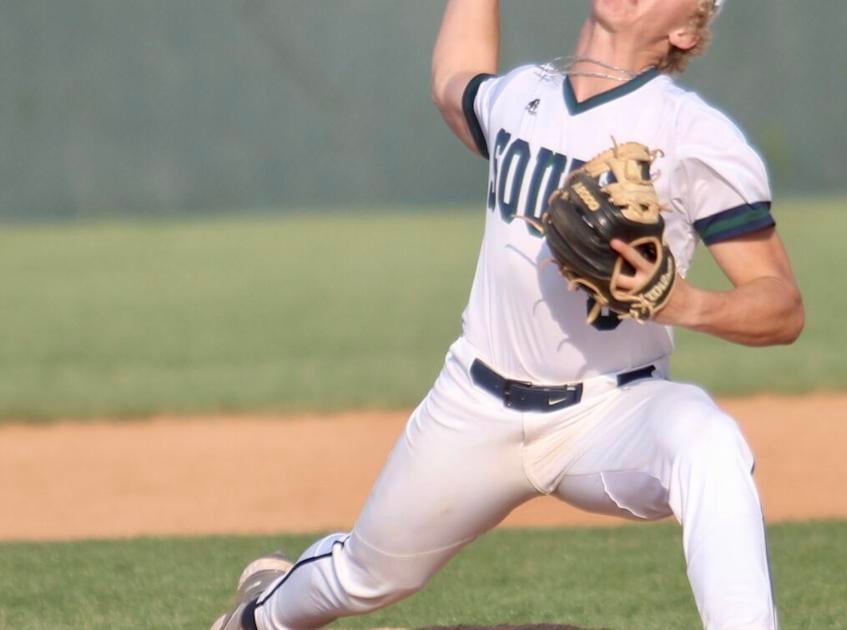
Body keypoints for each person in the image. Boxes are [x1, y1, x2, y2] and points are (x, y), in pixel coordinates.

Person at [211, 1, 803, 628]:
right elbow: (453, 83)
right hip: (476, 405)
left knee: (706, 441)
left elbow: (781, 306)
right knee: (365, 575)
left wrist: (686, 303)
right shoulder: (524, 95)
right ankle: (257, 618)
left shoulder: (692, 134)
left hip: (610, 411)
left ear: (685, 30)